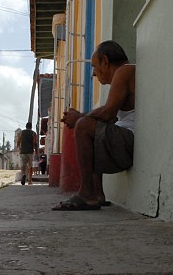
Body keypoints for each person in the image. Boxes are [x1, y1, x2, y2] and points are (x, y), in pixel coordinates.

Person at [53, 40, 135, 210]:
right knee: (88, 124)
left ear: (105, 61)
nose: (94, 74)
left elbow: (108, 113)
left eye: (94, 66)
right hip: (124, 142)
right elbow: (107, 117)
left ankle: (87, 193)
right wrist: (82, 118)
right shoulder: (125, 74)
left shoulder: (125, 71)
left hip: (128, 142)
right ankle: (97, 193)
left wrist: (80, 118)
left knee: (84, 126)